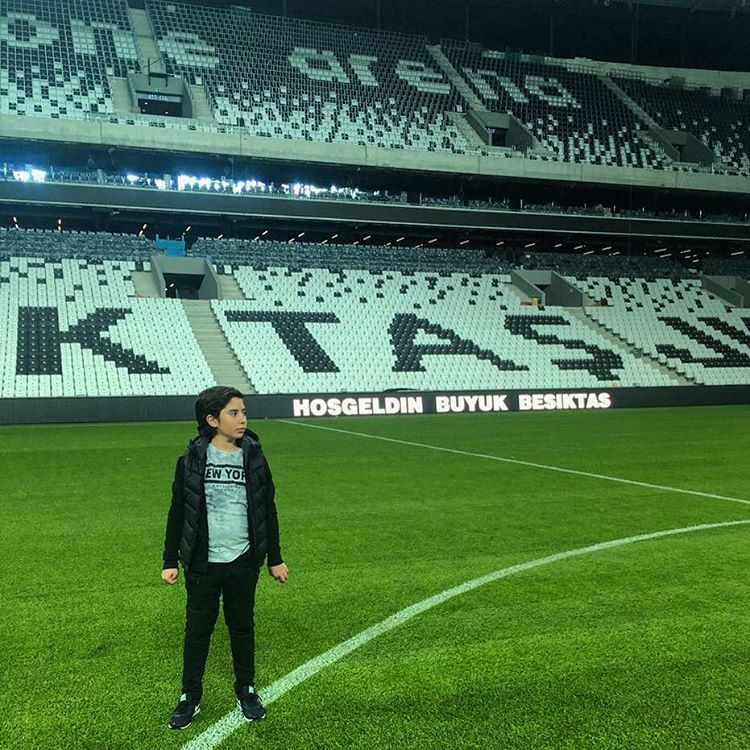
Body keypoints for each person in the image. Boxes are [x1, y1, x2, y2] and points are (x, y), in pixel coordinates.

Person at [162, 386, 289, 730]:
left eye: (243, 411)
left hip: (243, 561)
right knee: (197, 632)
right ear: (212, 420)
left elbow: (268, 509)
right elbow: (178, 511)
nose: (243, 419)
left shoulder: (255, 458)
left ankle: (246, 689)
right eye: (234, 413)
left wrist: (274, 557)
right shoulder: (190, 461)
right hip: (202, 564)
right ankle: (190, 695)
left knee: (242, 627)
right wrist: (170, 560)